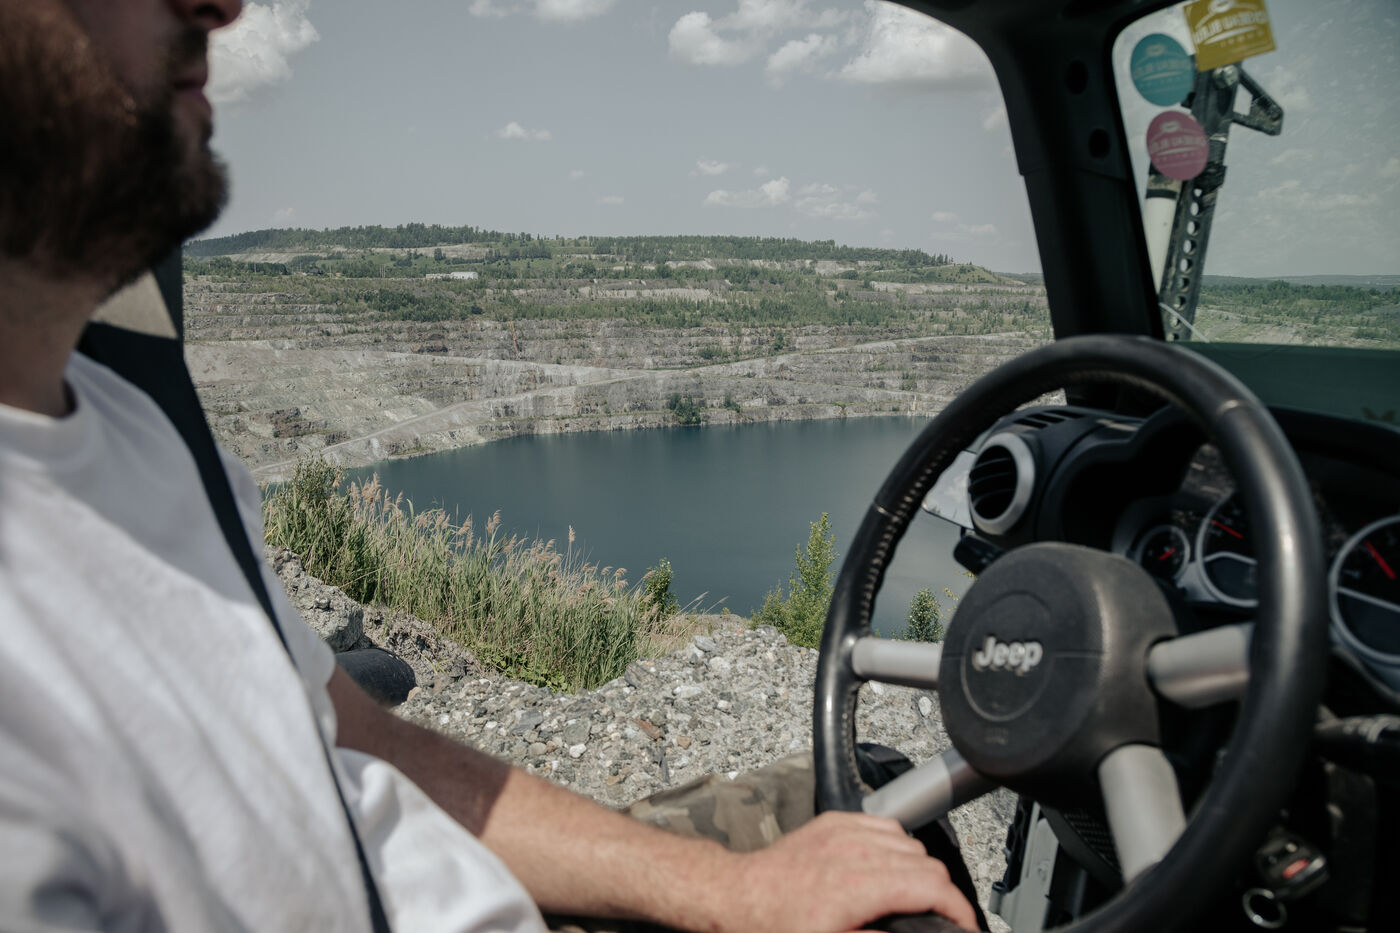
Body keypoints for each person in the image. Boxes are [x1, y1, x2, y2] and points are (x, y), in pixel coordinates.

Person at [0, 2, 978, 931]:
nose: (223, 8)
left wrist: (732, 892)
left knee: (875, 790)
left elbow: (359, 741)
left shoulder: (141, 441)